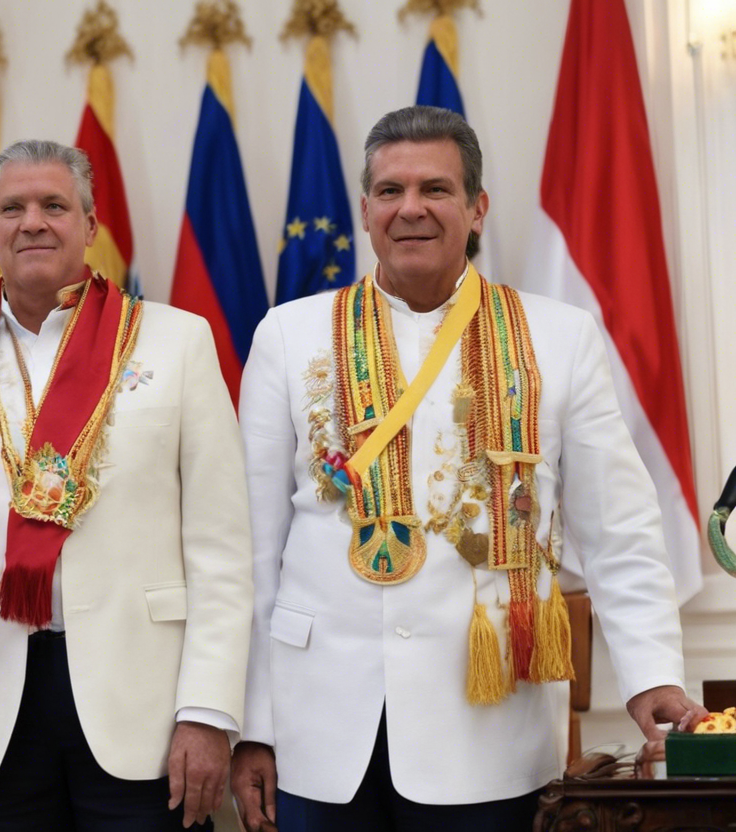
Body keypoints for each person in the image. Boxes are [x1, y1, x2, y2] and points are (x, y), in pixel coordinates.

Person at [231, 106, 704, 831]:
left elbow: (620, 529)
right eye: (390, 191)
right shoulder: (287, 335)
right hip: (319, 728)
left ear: (478, 207)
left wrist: (652, 676)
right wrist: (251, 724)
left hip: (490, 736)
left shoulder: (560, 336)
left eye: (436, 189)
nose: (410, 208)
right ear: (364, 210)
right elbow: (254, 551)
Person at [0, 139, 253, 832]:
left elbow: (222, 551)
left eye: (54, 205)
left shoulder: (176, 341)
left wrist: (207, 713)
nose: (33, 222)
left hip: (141, 703)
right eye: (12, 208)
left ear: (90, 225)